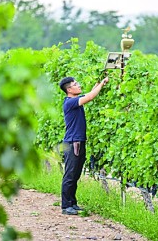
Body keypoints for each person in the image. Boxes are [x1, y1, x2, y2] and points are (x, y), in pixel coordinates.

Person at [58, 76, 109, 215]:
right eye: (76, 84)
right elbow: (91, 96)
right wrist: (103, 83)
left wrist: (99, 83)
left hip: (78, 142)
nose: (79, 85)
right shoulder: (70, 102)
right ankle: (65, 206)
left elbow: (89, 94)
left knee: (75, 174)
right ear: (69, 89)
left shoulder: (74, 101)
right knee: (70, 174)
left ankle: (72, 203)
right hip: (73, 142)